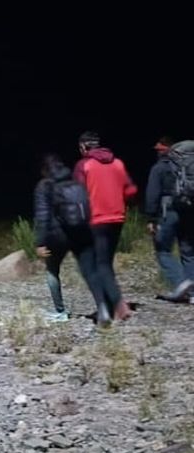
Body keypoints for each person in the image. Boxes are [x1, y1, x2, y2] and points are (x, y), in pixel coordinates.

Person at [73, 131, 138, 325]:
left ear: (84, 147)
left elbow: (78, 195)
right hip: (117, 218)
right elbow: (131, 190)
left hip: (97, 220)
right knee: (106, 264)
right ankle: (110, 306)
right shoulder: (118, 163)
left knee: (98, 265)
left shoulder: (84, 165)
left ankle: (118, 304)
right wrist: (121, 201)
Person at [33, 153, 100, 321]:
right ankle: (104, 308)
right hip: (80, 232)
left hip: (57, 237)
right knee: (90, 271)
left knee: (52, 271)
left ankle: (60, 311)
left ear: (44, 170)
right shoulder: (75, 182)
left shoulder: (44, 186)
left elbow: (43, 216)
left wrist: (40, 243)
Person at [145, 135, 194, 302]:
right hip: (189, 210)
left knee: (163, 250)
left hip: (168, 211)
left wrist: (151, 218)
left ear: (167, 148)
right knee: (188, 251)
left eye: (158, 149)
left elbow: (152, 193)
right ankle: (193, 292)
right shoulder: (187, 166)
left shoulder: (159, 168)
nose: (157, 152)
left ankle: (180, 283)